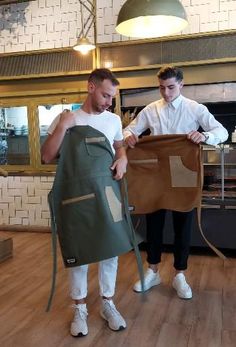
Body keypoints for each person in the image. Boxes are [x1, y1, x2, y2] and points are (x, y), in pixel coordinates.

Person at [123, 65, 228, 300]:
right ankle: (152, 272)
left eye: (171, 87)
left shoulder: (195, 108)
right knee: (154, 223)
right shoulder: (151, 109)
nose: (166, 93)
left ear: (181, 84)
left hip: (183, 171)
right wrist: (129, 135)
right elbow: (129, 129)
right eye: (161, 88)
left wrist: (205, 136)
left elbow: (222, 132)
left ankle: (180, 274)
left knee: (183, 224)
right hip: (156, 172)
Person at [41, 68, 128, 337]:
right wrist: (64, 126)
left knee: (110, 250)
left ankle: (107, 304)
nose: (109, 102)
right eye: (105, 95)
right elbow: (46, 156)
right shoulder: (68, 118)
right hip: (76, 194)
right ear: (90, 87)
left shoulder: (113, 120)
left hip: (108, 193)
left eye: (112, 97)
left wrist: (123, 157)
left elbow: (119, 145)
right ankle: (79, 308)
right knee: (79, 251)